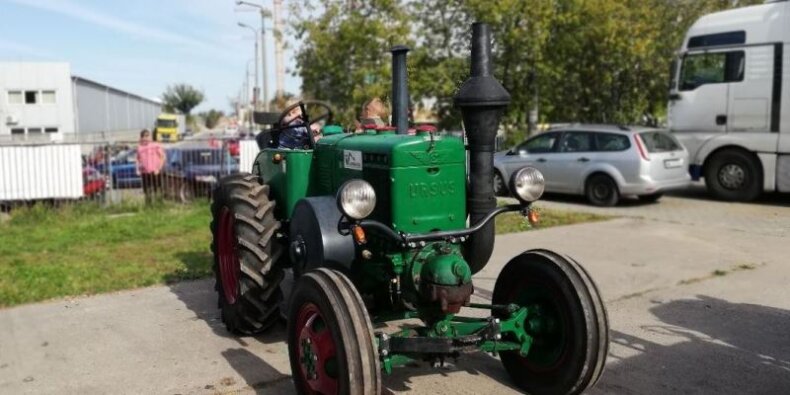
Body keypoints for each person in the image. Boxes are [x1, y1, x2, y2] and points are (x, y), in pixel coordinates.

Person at [136, 129, 166, 203]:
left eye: (147, 136)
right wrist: (137, 169)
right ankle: (148, 207)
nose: (145, 138)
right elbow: (137, 159)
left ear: (150, 136)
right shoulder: (139, 147)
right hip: (145, 172)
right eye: (143, 136)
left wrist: (158, 169)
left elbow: (163, 157)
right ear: (141, 137)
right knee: (147, 191)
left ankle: (159, 205)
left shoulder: (155, 145)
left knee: (157, 189)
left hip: (155, 172)